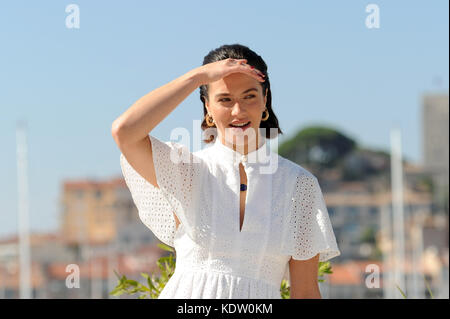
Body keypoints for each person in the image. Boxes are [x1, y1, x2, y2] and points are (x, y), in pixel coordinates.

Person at [111, 44, 340, 299]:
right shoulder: (188, 171)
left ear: (265, 100)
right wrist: (197, 76)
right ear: (207, 107)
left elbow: (306, 292)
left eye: (249, 96)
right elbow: (125, 132)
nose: (238, 111)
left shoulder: (298, 184)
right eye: (225, 99)